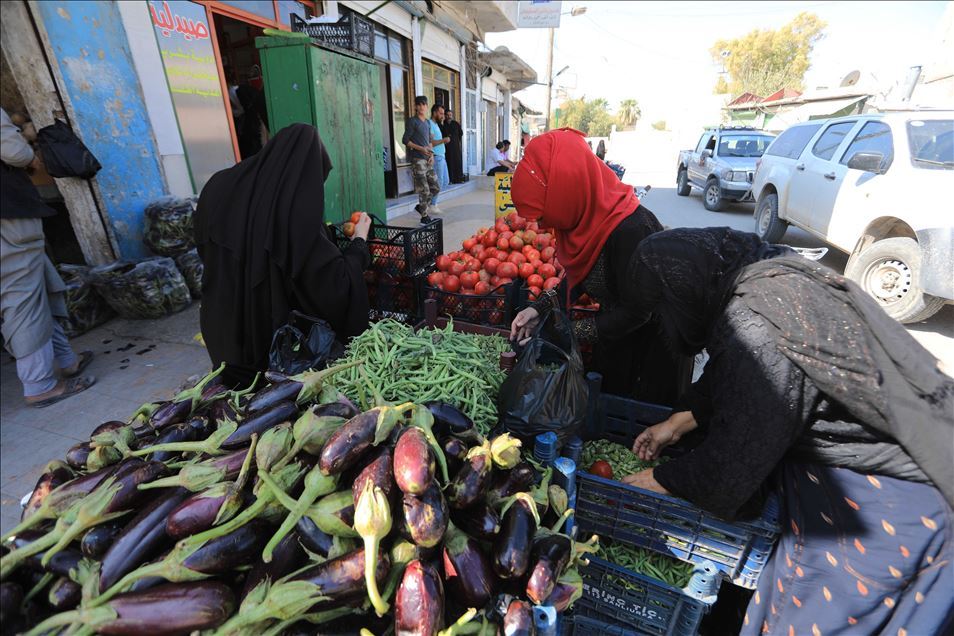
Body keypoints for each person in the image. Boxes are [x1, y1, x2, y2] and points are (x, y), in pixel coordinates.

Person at [616, 227, 953, 635]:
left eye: (663, 310)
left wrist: (656, 479)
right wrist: (677, 423)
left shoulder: (757, 323)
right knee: (783, 599)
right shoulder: (763, 276)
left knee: (814, 618)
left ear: (683, 294)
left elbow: (731, 468)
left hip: (884, 503)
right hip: (854, 482)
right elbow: (737, 375)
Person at [508, 128, 685, 404]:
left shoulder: (631, 229)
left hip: (651, 350)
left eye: (544, 213)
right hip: (615, 336)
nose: (542, 225)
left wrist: (569, 332)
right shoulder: (583, 219)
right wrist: (538, 307)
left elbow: (638, 313)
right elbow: (580, 278)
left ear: (566, 191)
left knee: (630, 428)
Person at [194, 124, 372, 388]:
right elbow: (333, 285)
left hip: (221, 333)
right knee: (258, 410)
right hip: (268, 353)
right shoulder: (293, 212)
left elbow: (204, 246)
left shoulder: (220, 185)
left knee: (228, 401)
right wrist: (359, 242)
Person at [1, 108, 94, 407]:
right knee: (22, 295)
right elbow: (13, 151)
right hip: (8, 216)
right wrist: (31, 157)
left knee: (36, 281)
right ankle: (39, 383)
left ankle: (67, 359)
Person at [402, 95, 440, 223]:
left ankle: (421, 207)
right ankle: (424, 217)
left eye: (424, 104)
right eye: (419, 104)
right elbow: (405, 140)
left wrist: (431, 155)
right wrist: (420, 149)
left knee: (435, 188)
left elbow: (429, 142)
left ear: (426, 106)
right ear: (416, 107)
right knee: (425, 189)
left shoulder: (428, 123)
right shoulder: (412, 121)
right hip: (417, 160)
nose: (422, 107)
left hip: (428, 160)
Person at [429, 104, 450, 204]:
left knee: (445, 181)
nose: (443, 116)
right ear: (434, 113)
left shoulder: (436, 124)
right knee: (438, 182)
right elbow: (430, 142)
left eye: (443, 114)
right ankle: (432, 204)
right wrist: (443, 140)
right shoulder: (430, 124)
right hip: (436, 156)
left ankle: (430, 202)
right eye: (441, 113)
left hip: (442, 156)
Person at [443, 109, 465, 183]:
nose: (449, 116)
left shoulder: (456, 124)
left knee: (457, 162)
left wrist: (455, 140)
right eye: (447, 115)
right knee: (449, 162)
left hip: (456, 147)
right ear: (445, 116)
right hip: (447, 148)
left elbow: (460, 134)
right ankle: (451, 180)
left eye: (450, 115)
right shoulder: (443, 124)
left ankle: (459, 179)